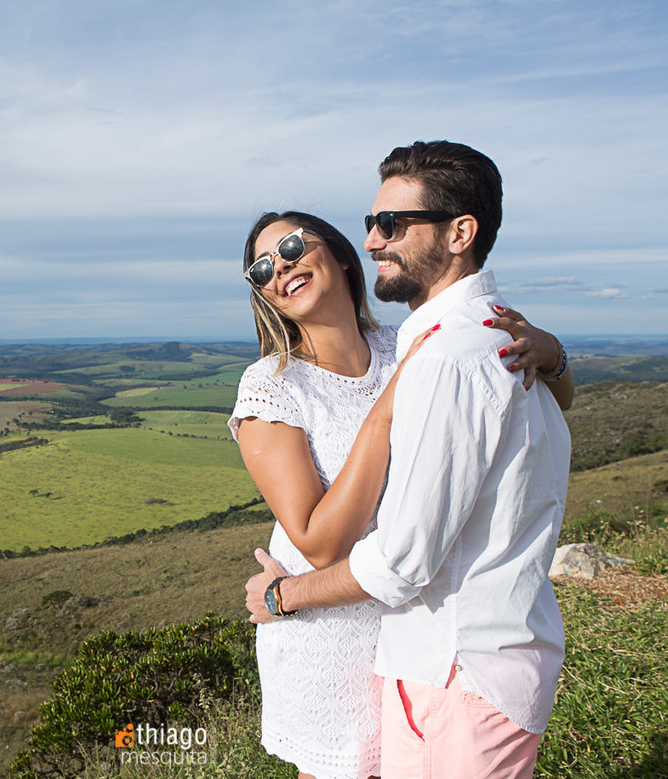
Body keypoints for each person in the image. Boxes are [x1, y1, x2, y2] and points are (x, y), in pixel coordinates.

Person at [232, 200, 573, 775]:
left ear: (341, 256)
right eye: (261, 269)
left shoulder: (410, 342)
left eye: (291, 248)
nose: (279, 268)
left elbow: (547, 403)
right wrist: (385, 411)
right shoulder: (271, 386)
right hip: (329, 633)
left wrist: (552, 354)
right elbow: (318, 543)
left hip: (420, 631)